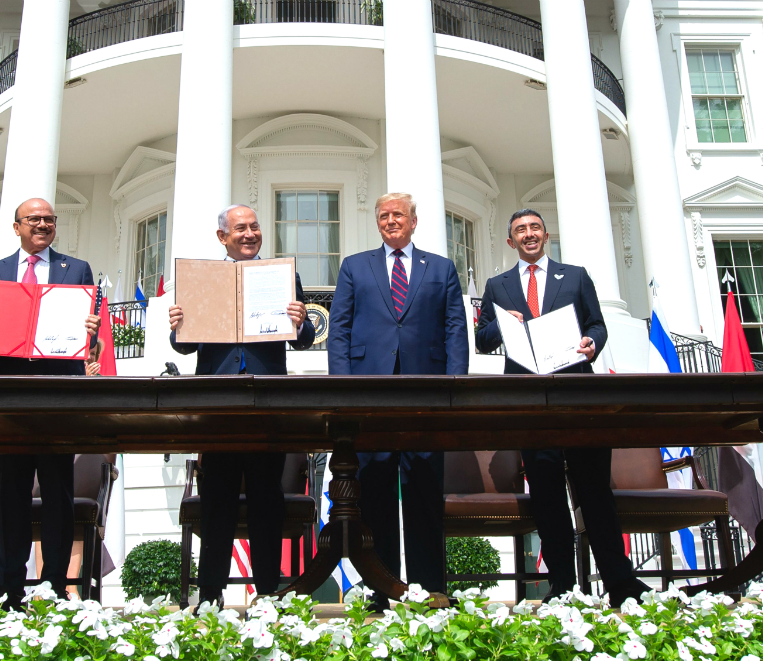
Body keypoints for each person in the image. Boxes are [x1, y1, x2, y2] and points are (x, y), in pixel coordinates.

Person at [475, 208, 649, 606]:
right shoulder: (497, 286)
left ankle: (620, 583)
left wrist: (593, 343)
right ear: (510, 241)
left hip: (577, 398)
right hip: (529, 405)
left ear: (546, 234)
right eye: (520, 230)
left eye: (534, 227)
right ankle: (563, 587)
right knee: (548, 497)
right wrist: (502, 325)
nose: (529, 234)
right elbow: (483, 339)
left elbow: (597, 325)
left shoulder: (575, 276)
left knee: (594, 491)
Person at [0, 197, 99, 610]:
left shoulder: (78, 270)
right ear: (16, 226)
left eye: (49, 219)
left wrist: (90, 331)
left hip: (59, 396)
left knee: (58, 492)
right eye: (34, 219)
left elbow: (89, 341)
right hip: (8, 397)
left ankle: (54, 585)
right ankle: (10, 586)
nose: (43, 224)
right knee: (12, 493)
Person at [168, 204, 315, 605]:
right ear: (223, 237)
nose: (249, 234)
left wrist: (300, 320)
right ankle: (210, 596)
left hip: (267, 406)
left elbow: (301, 338)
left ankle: (268, 593)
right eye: (240, 228)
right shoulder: (203, 279)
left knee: (268, 500)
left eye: (254, 226)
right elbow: (183, 345)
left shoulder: (283, 276)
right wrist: (179, 324)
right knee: (218, 503)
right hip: (218, 409)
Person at [327, 192, 469, 610]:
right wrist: (344, 389)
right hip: (370, 396)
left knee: (425, 491)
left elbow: (454, 329)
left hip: (425, 395)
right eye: (384, 215)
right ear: (378, 222)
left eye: (398, 215)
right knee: (375, 495)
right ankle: (381, 590)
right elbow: (340, 330)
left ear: (413, 221)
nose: (391, 221)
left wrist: (453, 386)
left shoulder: (440, 268)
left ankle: (430, 590)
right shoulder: (355, 266)